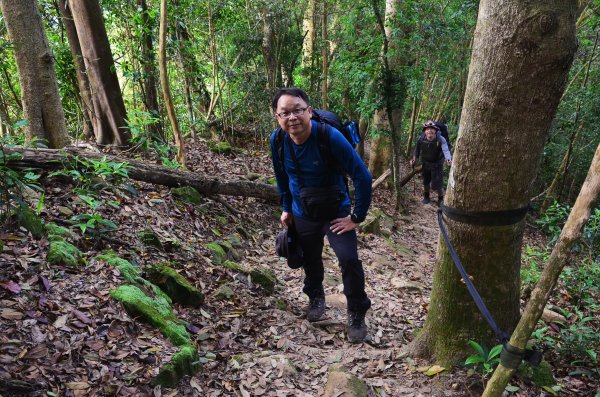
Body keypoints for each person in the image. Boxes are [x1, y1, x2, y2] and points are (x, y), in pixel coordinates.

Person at [269, 87, 373, 343]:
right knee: (310, 258)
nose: (292, 117)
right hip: (301, 211)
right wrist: (285, 208)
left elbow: (362, 176)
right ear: (278, 117)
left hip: (335, 211)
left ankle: (356, 312)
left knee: (349, 260)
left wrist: (356, 217)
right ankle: (315, 297)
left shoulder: (330, 136)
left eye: (297, 110)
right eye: (285, 113)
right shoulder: (278, 140)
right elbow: (282, 177)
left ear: (309, 111)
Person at [410, 120, 452, 205]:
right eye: (427, 129)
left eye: (432, 129)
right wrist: (414, 159)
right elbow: (417, 150)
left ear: (435, 131)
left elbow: (446, 149)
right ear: (425, 131)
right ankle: (426, 196)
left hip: (437, 164)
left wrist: (448, 158)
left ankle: (440, 199)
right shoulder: (421, 139)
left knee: (438, 183)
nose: (430, 131)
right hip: (426, 163)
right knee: (426, 181)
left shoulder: (440, 139)